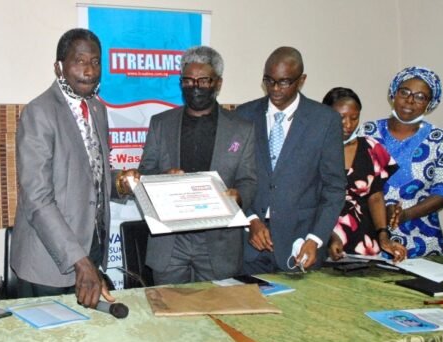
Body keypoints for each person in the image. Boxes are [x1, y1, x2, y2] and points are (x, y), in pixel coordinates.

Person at [115, 46, 257, 284]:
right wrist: (163, 178)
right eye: (188, 81)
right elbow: (144, 174)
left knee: (217, 315)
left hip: (218, 242)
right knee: (171, 314)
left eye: (203, 81)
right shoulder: (161, 123)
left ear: (218, 83)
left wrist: (238, 196)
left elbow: (249, 180)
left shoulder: (241, 129)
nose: (195, 87)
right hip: (170, 242)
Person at [11, 28, 115, 308]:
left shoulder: (97, 109)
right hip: (49, 262)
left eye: (95, 61)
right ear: (59, 67)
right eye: (79, 60)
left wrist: (122, 182)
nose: (89, 70)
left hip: (90, 249)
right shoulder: (39, 112)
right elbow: (37, 197)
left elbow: (91, 174)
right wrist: (79, 261)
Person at [235, 46, 346, 273]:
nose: (275, 89)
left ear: (301, 80)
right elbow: (232, 177)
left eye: (284, 82)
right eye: (269, 80)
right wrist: (250, 219)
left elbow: (334, 188)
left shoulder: (325, 120)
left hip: (301, 243)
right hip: (250, 243)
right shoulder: (243, 115)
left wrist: (316, 238)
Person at [362, 67, 443, 257]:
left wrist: (405, 215)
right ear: (393, 93)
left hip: (422, 241)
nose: (410, 100)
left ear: (429, 104)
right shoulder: (367, 132)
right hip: (370, 239)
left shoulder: (439, 139)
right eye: (404, 92)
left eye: (420, 97)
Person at [322, 87, 406, 263]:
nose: (348, 124)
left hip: (363, 239)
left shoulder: (370, 147)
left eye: (354, 118)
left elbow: (375, 196)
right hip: (322, 235)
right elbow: (307, 200)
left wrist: (383, 235)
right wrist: (329, 236)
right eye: (341, 117)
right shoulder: (313, 150)